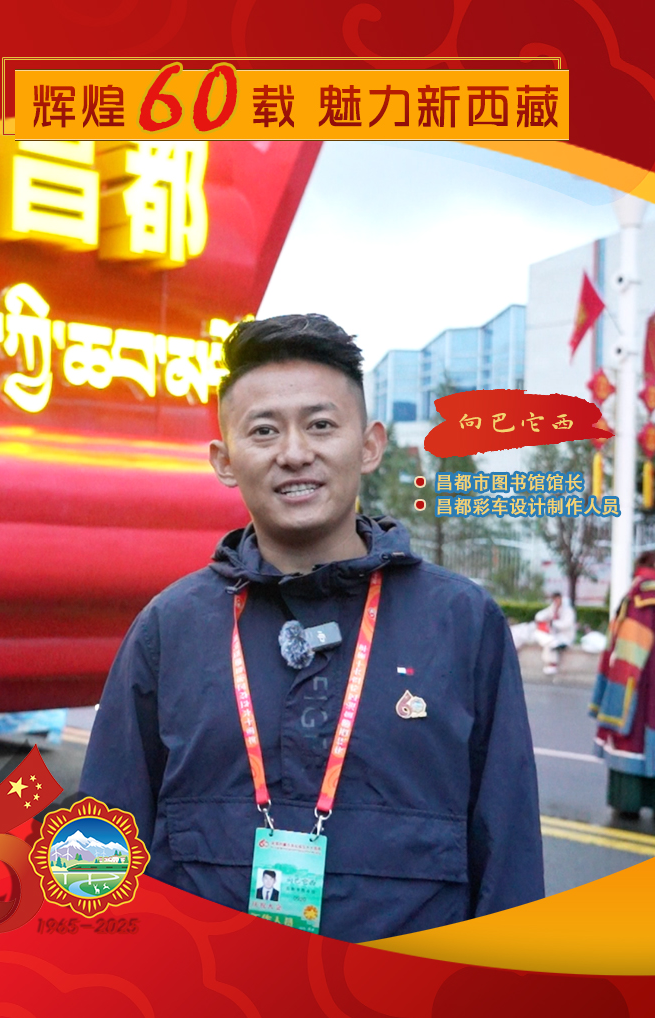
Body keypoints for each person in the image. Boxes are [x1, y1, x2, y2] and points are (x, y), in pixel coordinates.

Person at [79, 313, 543, 942]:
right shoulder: (170, 628)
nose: (295, 453)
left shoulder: (462, 623)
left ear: (370, 445)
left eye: (321, 425)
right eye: (264, 430)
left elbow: (508, 852)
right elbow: (102, 844)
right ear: (224, 460)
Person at [591, 550, 655, 819]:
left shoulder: (637, 597)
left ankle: (628, 804)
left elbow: (623, 654)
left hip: (638, 688)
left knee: (631, 742)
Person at [532, 592, 577, 675]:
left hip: (566, 636)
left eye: (557, 599)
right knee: (548, 640)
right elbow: (540, 615)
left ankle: (553, 664)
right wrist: (543, 619)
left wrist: (553, 623)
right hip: (555, 635)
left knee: (552, 643)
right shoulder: (553, 608)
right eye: (554, 600)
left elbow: (566, 624)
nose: (556, 601)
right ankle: (549, 663)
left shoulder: (568, 610)